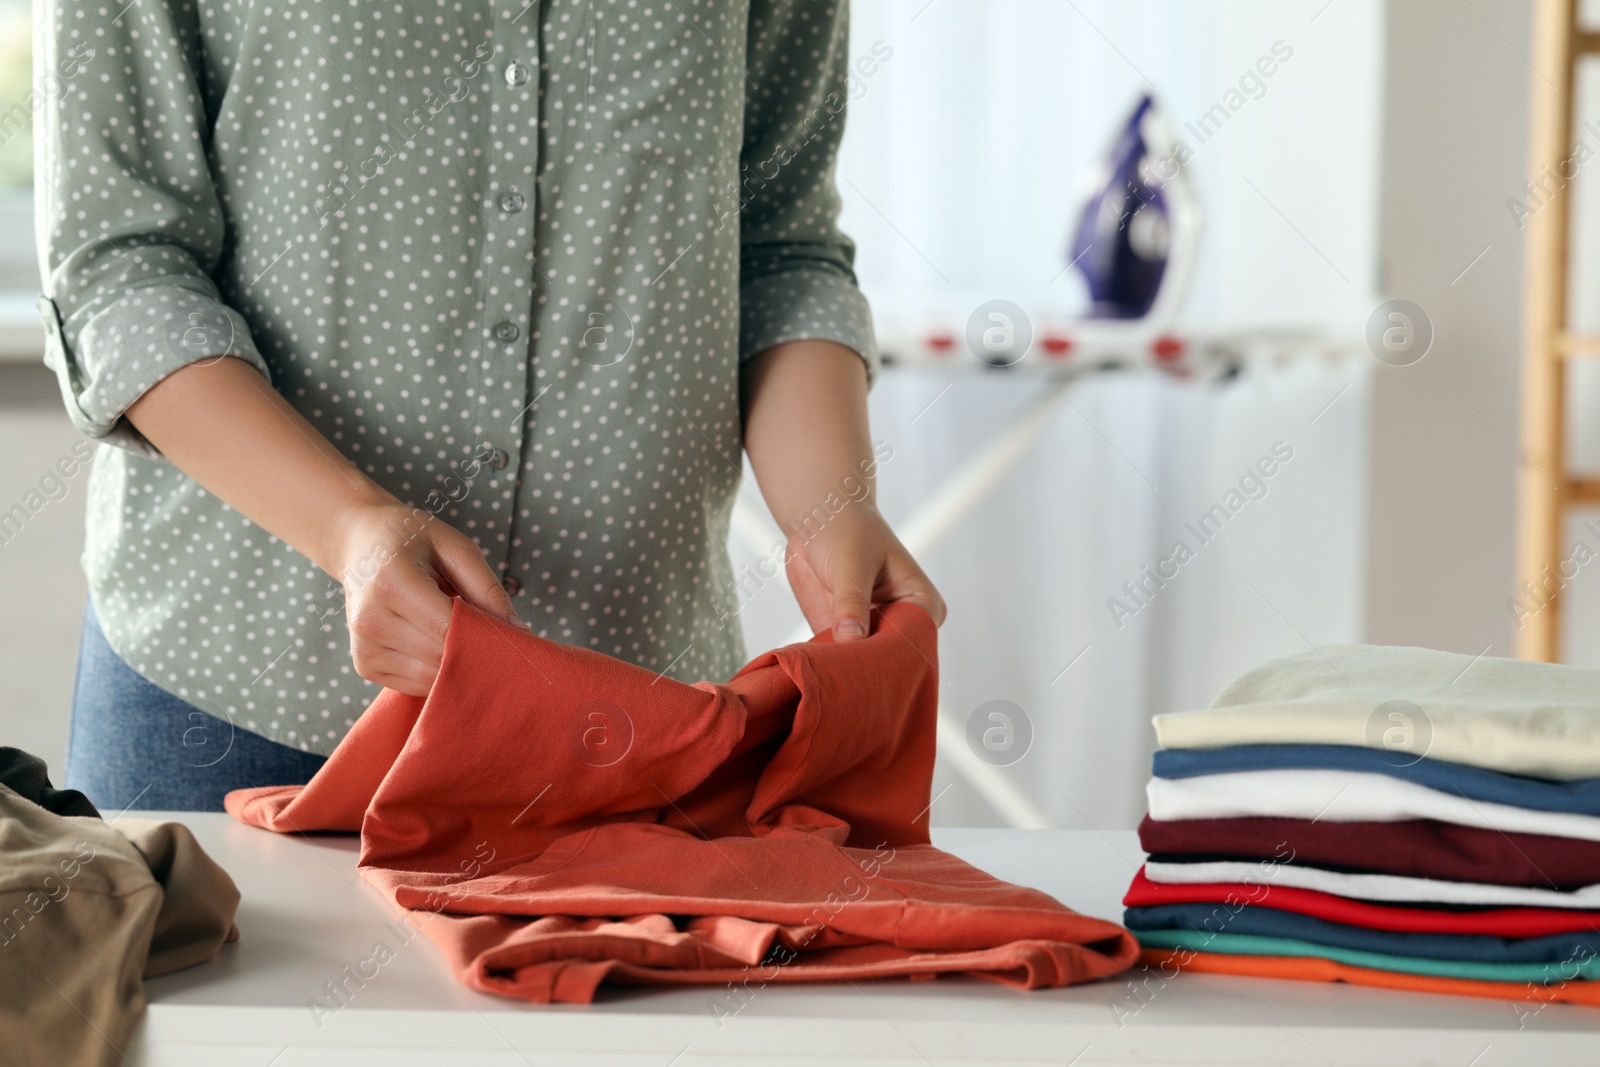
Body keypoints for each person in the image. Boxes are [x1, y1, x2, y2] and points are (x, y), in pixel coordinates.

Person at [37, 0, 944, 811]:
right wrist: (349, 530)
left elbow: (780, 247)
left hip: (634, 715)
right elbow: (119, 267)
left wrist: (835, 509)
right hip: (231, 692)